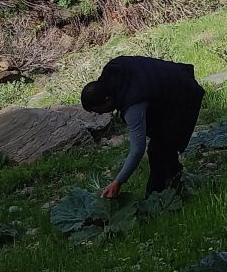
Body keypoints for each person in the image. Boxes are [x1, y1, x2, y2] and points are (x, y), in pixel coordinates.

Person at [80, 55, 205, 199]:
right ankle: (175, 179)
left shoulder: (132, 103)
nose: (101, 113)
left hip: (183, 93)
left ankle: (154, 199)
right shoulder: (112, 71)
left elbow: (137, 149)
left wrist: (118, 181)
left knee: (159, 149)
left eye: (100, 110)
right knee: (162, 144)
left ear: (108, 99)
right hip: (173, 77)